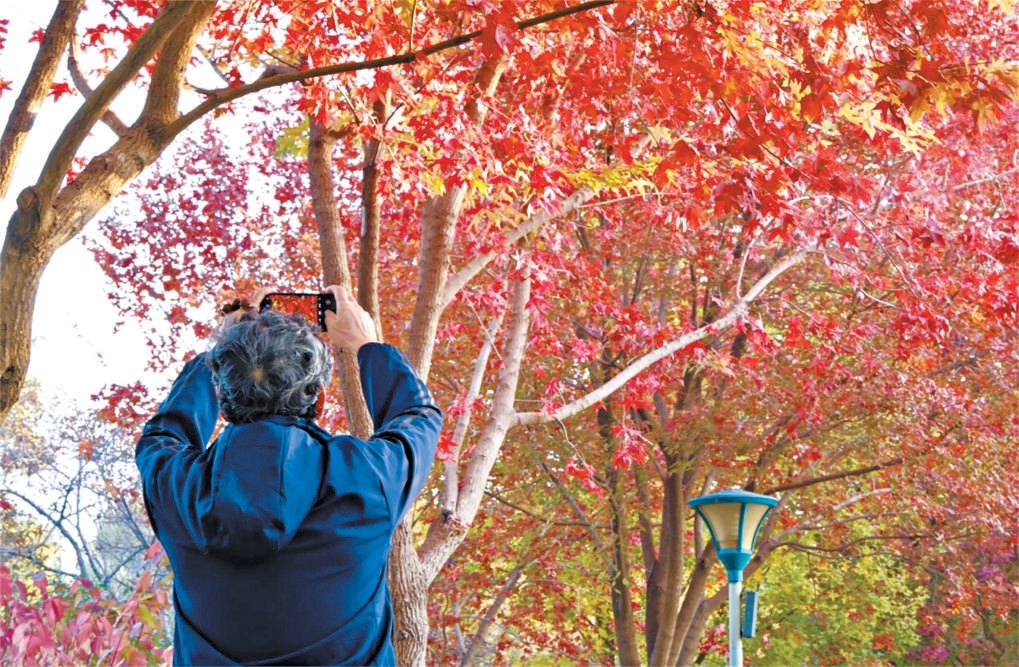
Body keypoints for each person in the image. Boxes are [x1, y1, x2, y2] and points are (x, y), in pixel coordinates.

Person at [135, 286, 442, 666]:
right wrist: (365, 342)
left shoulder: (179, 491)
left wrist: (218, 353)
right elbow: (417, 416)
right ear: (320, 399)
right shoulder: (367, 479)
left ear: (223, 398)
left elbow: (162, 435)